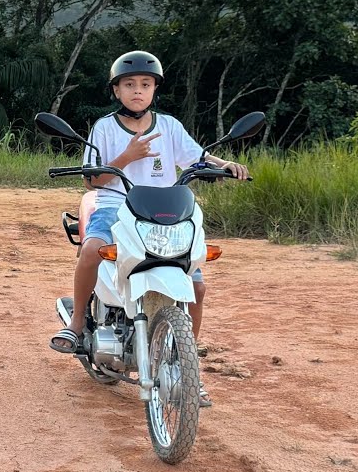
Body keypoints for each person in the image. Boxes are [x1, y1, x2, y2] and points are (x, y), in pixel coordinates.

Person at [47, 51, 249, 408]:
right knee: (92, 248)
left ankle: (186, 368)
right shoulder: (105, 128)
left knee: (197, 285)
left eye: (145, 84)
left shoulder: (169, 126)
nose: (137, 91)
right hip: (115, 204)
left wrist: (224, 164)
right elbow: (92, 181)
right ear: (117, 91)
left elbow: (197, 157)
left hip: (165, 208)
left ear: (155, 89)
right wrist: (127, 156)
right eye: (129, 85)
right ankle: (77, 323)